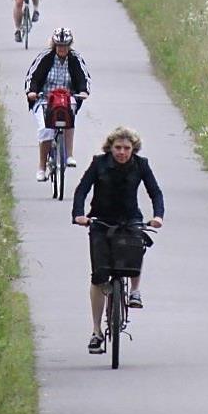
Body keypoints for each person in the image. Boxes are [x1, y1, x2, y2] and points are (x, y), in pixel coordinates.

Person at [72, 127, 164, 352]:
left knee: (135, 250)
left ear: (133, 149)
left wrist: (158, 216)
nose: (122, 152)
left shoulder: (141, 165)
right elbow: (82, 190)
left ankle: (134, 291)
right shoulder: (99, 163)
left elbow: (155, 192)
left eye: (126, 148)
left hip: (130, 218)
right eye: (118, 148)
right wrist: (79, 215)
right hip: (101, 220)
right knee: (99, 276)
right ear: (110, 148)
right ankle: (96, 331)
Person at [25, 27, 90, 180]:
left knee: (70, 112)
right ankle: (41, 168)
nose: (62, 49)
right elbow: (32, 77)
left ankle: (69, 154)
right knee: (45, 130)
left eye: (65, 46)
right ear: (54, 45)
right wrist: (31, 92)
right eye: (59, 46)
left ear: (70, 45)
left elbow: (83, 78)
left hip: (66, 98)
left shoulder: (75, 58)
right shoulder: (45, 57)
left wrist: (83, 91)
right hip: (44, 98)